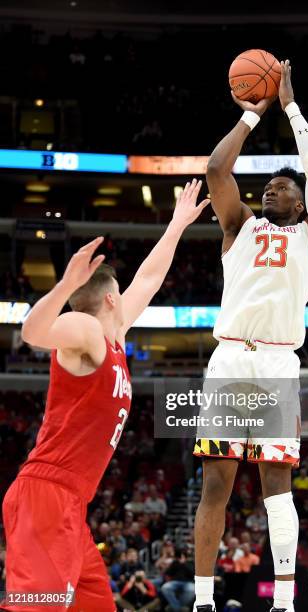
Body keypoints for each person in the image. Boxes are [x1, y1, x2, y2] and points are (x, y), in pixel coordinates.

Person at [1, 180, 209, 612]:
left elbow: (150, 278)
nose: (130, 295)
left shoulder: (113, 335)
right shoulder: (88, 330)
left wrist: (175, 226)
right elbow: (33, 332)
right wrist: (63, 286)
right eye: (123, 292)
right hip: (46, 495)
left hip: (71, 504)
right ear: (112, 298)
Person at [193, 60, 308, 612]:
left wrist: (292, 108)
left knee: (277, 486)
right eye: (268, 186)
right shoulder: (240, 226)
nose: (271, 190)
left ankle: (283, 601)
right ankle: (204, 600)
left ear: (300, 203)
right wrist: (252, 116)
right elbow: (216, 169)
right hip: (229, 359)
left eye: (281, 187)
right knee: (215, 486)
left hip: (277, 363)